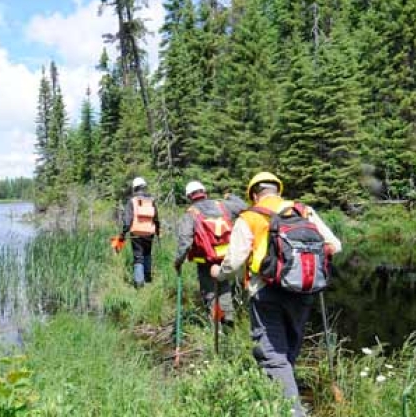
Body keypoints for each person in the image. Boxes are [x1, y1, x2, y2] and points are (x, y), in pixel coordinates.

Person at [213, 172, 342, 417]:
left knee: (273, 354)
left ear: (253, 194)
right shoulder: (304, 211)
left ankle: (291, 411)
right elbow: (335, 246)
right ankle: (283, 396)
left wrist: (218, 273)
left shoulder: (249, 217)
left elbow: (234, 262)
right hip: (304, 289)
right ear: (278, 190)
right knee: (289, 348)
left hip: (266, 292)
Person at [173, 181, 246, 325]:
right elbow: (243, 207)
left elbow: (185, 241)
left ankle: (215, 324)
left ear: (189, 197)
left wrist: (178, 261)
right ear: (204, 192)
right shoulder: (223, 205)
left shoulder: (191, 213)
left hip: (205, 259)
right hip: (226, 256)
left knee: (210, 291)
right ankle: (228, 318)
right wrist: (230, 196)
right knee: (224, 285)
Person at [120, 177, 160, 288]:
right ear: (144, 187)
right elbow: (156, 218)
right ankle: (147, 278)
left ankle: (139, 283)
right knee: (147, 254)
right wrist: (158, 231)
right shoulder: (151, 200)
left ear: (135, 188)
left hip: (136, 233)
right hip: (149, 233)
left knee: (138, 257)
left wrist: (123, 234)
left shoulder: (132, 201)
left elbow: (127, 221)